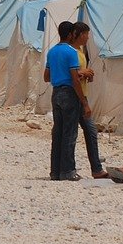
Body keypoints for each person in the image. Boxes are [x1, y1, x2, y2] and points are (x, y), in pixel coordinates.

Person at [44, 20, 89, 181]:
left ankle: (55, 171)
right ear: (71, 35)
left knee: (58, 133)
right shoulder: (71, 52)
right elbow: (75, 79)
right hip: (69, 93)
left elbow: (46, 77)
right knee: (69, 134)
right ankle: (68, 171)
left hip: (56, 93)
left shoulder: (51, 52)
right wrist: (84, 102)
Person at [70, 22, 106, 179]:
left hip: (82, 95)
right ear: (78, 34)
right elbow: (70, 75)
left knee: (90, 131)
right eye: (86, 34)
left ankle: (96, 168)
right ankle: (70, 168)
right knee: (72, 134)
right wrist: (81, 73)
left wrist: (86, 75)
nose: (87, 38)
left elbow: (78, 74)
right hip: (75, 97)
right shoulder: (71, 52)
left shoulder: (81, 52)